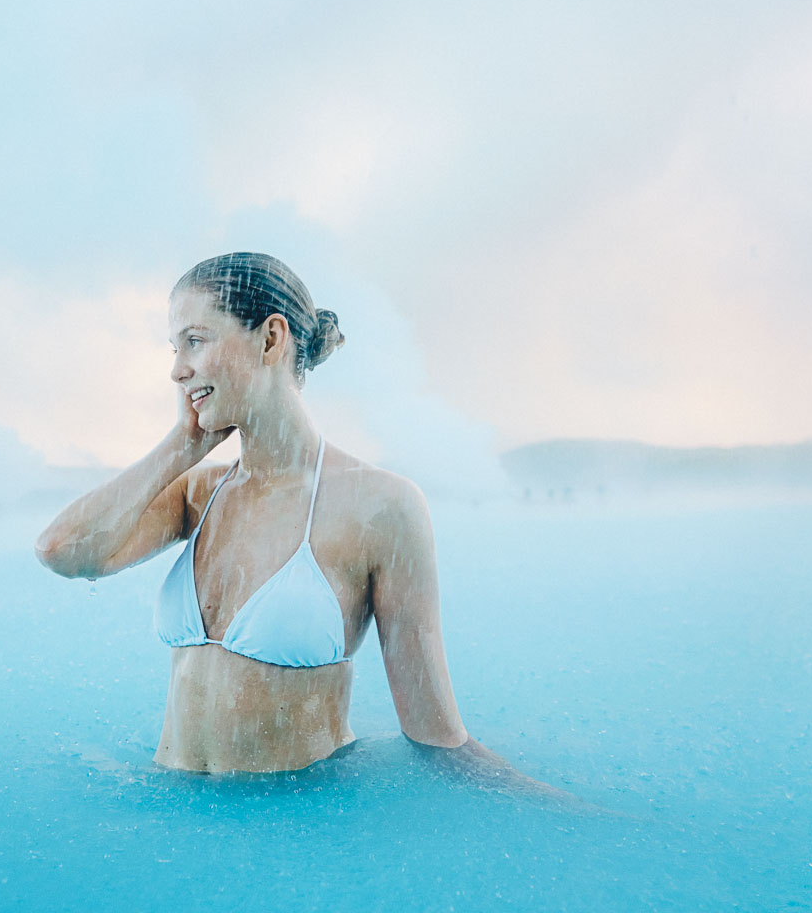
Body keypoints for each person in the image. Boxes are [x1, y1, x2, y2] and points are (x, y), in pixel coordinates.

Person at [34, 252, 570, 801]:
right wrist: (181, 445)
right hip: (180, 822)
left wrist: (564, 813)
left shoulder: (379, 506)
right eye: (175, 349)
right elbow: (62, 552)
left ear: (271, 340)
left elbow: (436, 737)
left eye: (195, 341)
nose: (177, 370)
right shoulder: (198, 493)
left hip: (298, 827)